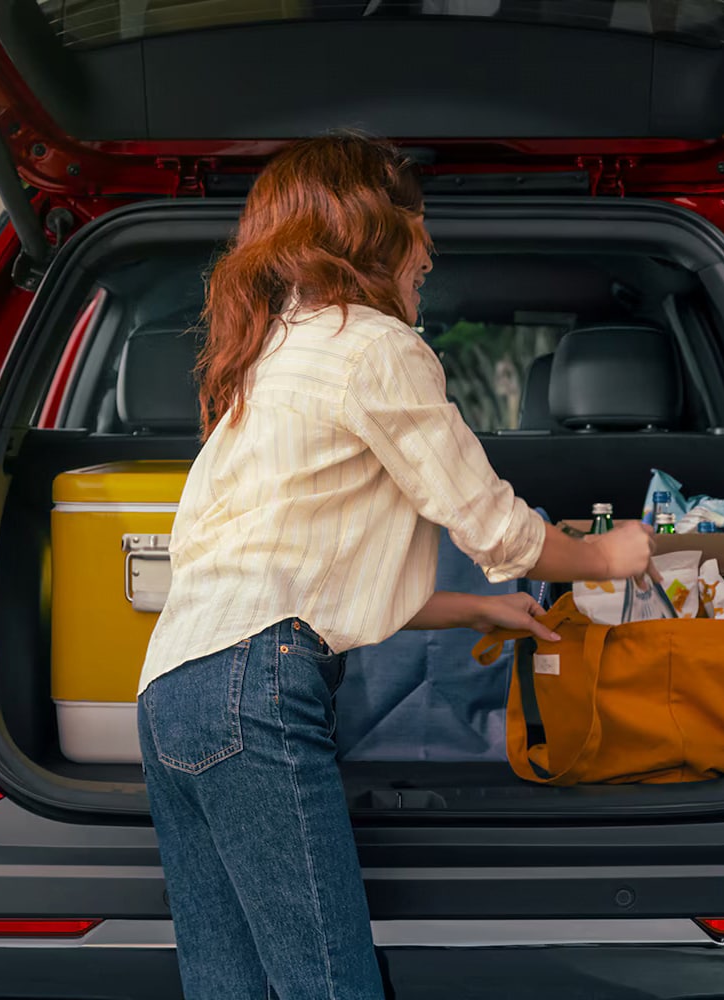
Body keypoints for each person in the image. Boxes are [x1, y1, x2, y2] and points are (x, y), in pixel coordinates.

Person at [133, 132, 654, 999]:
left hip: (169, 699)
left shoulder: (269, 364)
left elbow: (303, 578)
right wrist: (604, 554)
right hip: (253, 691)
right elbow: (493, 525)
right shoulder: (374, 346)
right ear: (372, 231)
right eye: (417, 225)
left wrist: (477, 611)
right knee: (328, 986)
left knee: (231, 988)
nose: (429, 250)